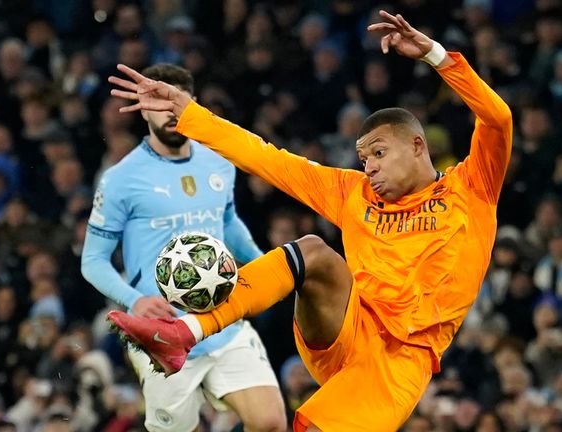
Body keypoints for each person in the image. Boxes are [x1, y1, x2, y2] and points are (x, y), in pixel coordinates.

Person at [106, 10, 512, 432]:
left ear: (416, 145)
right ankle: (184, 333)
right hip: (346, 323)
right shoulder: (353, 193)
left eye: (378, 153)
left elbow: (498, 119)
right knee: (313, 253)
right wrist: (191, 116)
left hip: (399, 360)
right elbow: (267, 158)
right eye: (363, 158)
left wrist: (434, 54)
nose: (369, 167)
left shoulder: (472, 189)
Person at [80, 64, 286, 432]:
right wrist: (134, 301)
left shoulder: (219, 160)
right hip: (161, 331)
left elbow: (227, 223)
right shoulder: (119, 180)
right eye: (158, 103)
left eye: (177, 103)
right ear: (143, 109)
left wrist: (265, 267)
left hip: (223, 319)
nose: (170, 112)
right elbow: (93, 261)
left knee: (270, 423)